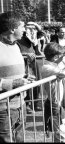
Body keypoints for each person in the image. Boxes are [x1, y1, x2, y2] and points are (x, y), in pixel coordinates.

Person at [0, 12, 32, 142]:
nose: (24, 30)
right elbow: (11, 81)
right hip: (3, 109)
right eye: (22, 26)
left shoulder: (16, 45)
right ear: (12, 29)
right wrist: (13, 83)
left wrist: (25, 77)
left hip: (20, 105)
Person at [41, 42, 65, 142]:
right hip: (54, 105)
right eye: (61, 56)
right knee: (61, 136)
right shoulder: (46, 68)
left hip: (63, 102)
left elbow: (63, 66)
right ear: (56, 56)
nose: (63, 58)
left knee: (64, 133)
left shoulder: (56, 64)